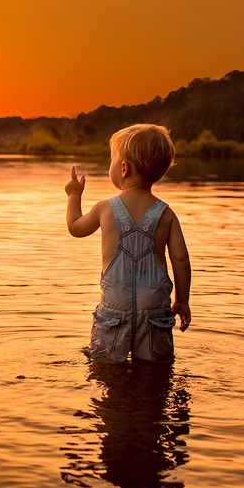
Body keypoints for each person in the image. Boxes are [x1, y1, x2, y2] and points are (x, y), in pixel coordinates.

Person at [65, 123, 191, 363]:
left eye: (111, 160)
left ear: (124, 168)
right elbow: (181, 260)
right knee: (156, 371)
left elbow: (75, 228)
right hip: (155, 310)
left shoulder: (105, 208)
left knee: (105, 369)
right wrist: (182, 300)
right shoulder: (166, 214)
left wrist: (74, 196)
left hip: (114, 310)